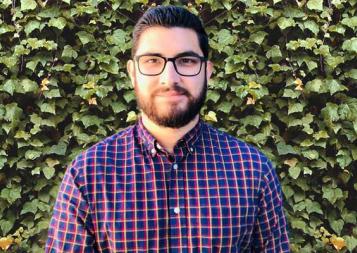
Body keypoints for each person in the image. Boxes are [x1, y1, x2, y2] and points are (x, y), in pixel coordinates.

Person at [46, 5, 290, 253]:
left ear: (207, 72)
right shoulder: (88, 174)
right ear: (132, 73)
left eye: (186, 61)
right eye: (152, 61)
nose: (169, 78)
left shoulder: (253, 170)